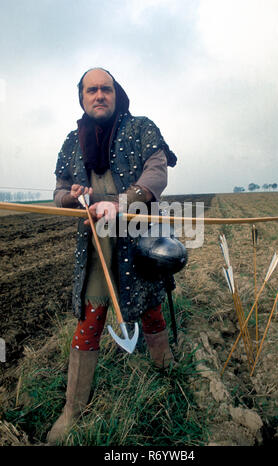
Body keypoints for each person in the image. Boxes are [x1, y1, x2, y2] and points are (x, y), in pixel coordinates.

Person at [47, 67, 177, 444]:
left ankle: (166, 373)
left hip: (137, 240)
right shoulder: (72, 141)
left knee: (150, 307)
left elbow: (157, 172)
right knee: (90, 318)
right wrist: (72, 197)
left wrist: (123, 203)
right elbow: (58, 192)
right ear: (82, 97)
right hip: (95, 247)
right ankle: (73, 409)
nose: (99, 95)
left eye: (106, 89)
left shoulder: (140, 128)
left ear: (116, 93)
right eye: (92, 90)